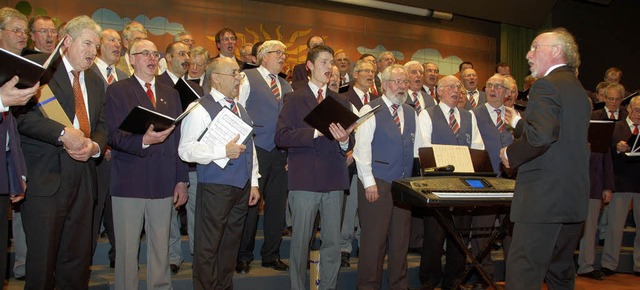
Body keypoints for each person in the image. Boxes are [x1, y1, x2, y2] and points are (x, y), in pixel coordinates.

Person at [16, 15, 107, 289]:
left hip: (84, 178)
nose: (93, 51)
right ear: (67, 41)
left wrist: (94, 147)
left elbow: (102, 124)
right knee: (42, 263)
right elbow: (22, 117)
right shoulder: (40, 69)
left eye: (96, 46)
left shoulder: (94, 78)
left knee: (77, 260)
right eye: (87, 43)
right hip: (47, 179)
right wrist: (62, 133)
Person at [499, 27, 591, 290]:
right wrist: (519, 127)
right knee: (560, 274)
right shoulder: (579, 92)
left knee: (523, 273)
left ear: (556, 51)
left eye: (534, 47)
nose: (528, 54)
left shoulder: (545, 86)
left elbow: (541, 138)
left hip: (542, 200)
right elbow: (559, 138)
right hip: (571, 200)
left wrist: (510, 154)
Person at [105, 39, 189, 290]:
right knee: (128, 250)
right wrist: (143, 140)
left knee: (160, 247)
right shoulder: (118, 91)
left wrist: (181, 179)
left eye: (155, 54)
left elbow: (177, 139)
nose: (152, 58)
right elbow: (113, 135)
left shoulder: (170, 94)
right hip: (129, 181)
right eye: (144, 54)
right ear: (131, 59)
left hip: (164, 181)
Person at [275, 44, 353, 290]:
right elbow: (281, 137)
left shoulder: (341, 101)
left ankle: (327, 287)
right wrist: (315, 132)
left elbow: (348, 144)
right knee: (300, 244)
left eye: (332, 62)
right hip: (305, 180)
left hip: (334, 179)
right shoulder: (294, 97)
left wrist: (345, 141)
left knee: (332, 244)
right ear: (309, 66)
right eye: (324, 62)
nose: (329, 67)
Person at [178, 56, 260, 289]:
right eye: (234, 73)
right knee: (208, 247)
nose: (238, 79)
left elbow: (250, 149)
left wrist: (253, 182)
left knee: (229, 247)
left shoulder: (241, 109)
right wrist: (221, 150)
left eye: (239, 74)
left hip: (241, 187)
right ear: (216, 78)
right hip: (215, 186)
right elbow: (185, 150)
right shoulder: (198, 108)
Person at [354, 64, 423, 290]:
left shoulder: (412, 112)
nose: (402, 86)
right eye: (397, 82)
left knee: (400, 243)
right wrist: (369, 183)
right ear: (383, 85)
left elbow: (418, 151)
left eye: (405, 82)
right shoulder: (370, 109)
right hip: (378, 184)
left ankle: (398, 286)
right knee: (373, 244)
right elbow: (361, 151)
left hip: (403, 187)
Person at [417, 75, 484, 290]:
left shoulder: (469, 116)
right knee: (434, 238)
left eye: (458, 87)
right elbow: (423, 149)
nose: (456, 90)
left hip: (463, 186)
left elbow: (478, 147)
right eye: (450, 87)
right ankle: (429, 281)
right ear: (439, 91)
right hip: (438, 186)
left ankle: (454, 281)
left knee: (460, 236)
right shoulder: (427, 115)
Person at [236, 40, 292, 274]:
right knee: (250, 205)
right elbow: (237, 110)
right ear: (263, 56)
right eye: (278, 52)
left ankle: (271, 254)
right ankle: (243, 255)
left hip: (281, 153)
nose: (282, 57)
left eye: (284, 53)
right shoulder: (247, 77)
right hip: (256, 148)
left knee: (277, 206)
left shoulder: (287, 86)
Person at [0, 9, 39, 286]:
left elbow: (10, 130)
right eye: (16, 29)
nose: (22, 36)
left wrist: (18, 173)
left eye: (24, 31)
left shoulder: (17, 68)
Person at [88, 27, 128, 269]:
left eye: (120, 41)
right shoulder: (87, 72)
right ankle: (84, 262)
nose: (117, 44)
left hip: (121, 156)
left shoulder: (124, 76)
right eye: (112, 39)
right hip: (96, 155)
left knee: (118, 212)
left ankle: (119, 258)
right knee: (92, 210)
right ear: (99, 45)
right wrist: (102, 145)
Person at [470, 74, 514, 286]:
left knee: (511, 233)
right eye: (489, 86)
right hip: (484, 182)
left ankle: (515, 276)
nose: (493, 89)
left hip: (511, 182)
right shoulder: (473, 115)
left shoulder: (515, 117)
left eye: (498, 86)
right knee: (482, 233)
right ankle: (484, 277)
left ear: (507, 93)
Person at [339, 59, 377, 267]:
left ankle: (365, 244)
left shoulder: (379, 101)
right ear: (355, 73)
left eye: (372, 71)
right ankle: (344, 247)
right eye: (365, 71)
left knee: (368, 205)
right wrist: (349, 148)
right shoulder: (344, 98)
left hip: (371, 163)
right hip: (350, 160)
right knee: (350, 206)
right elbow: (340, 128)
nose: (369, 74)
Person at [600, 96, 640, 277]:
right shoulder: (617, 127)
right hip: (621, 181)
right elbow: (605, 152)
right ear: (629, 109)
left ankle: (639, 265)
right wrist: (617, 148)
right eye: (637, 109)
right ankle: (609, 263)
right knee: (615, 226)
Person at [575, 99, 615, 280]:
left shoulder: (600, 129)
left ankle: (586, 265)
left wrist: (607, 186)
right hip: (571, 187)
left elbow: (607, 161)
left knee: (590, 229)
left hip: (594, 186)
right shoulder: (569, 127)